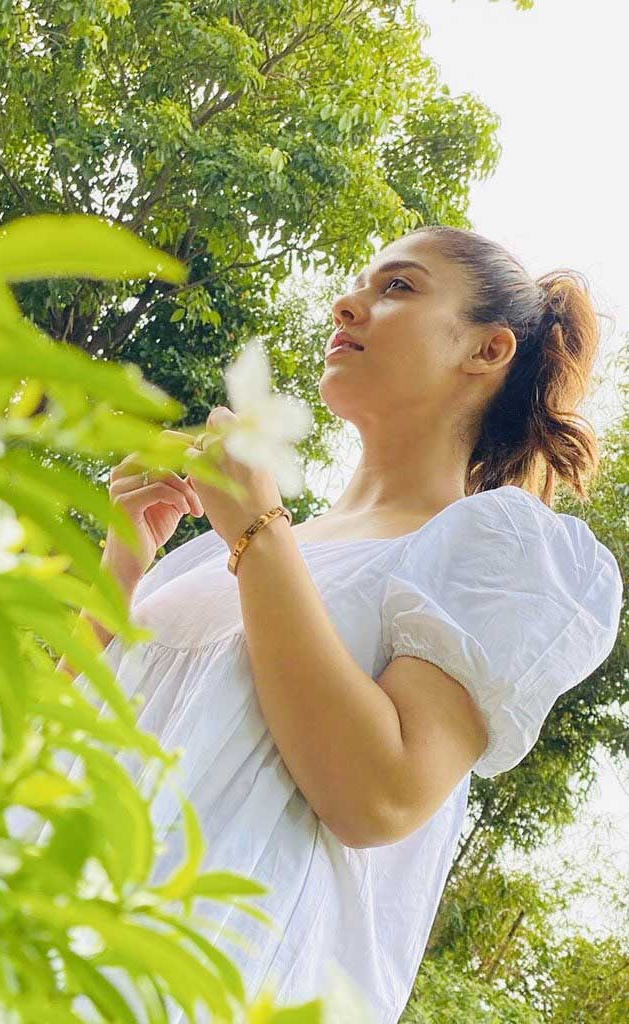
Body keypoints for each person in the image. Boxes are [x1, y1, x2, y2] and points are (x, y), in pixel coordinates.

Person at [52, 226, 624, 1023]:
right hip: (36, 950)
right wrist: (123, 565)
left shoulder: (501, 546)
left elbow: (377, 795)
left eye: (399, 288)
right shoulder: (208, 558)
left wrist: (257, 526)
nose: (346, 303)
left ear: (488, 351)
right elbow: (47, 749)